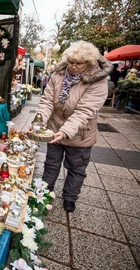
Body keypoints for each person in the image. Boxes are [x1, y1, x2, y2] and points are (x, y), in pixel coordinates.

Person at [36, 40, 113, 212]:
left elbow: (85, 111)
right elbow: (47, 100)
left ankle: (70, 197)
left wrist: (65, 131)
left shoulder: (98, 80)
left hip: (80, 134)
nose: (73, 66)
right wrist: (39, 120)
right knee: (51, 163)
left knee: (76, 168)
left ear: (89, 62)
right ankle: (44, 192)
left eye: (78, 63)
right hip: (54, 128)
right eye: (70, 62)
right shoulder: (58, 75)